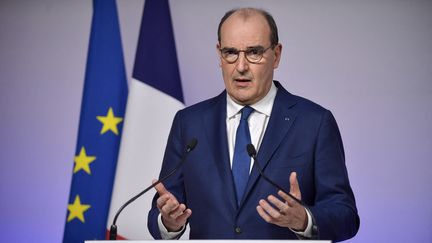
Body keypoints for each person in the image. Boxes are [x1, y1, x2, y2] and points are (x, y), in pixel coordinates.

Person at [148, 7, 359, 241]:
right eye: (230, 52)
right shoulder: (188, 123)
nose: (241, 66)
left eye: (254, 52)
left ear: (276, 55)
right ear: (219, 54)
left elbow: (346, 216)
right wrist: (168, 222)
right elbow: (161, 210)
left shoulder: (315, 123)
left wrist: (305, 219)